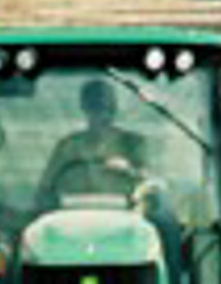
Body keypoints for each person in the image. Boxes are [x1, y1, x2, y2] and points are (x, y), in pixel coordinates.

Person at [34, 78, 148, 210]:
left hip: (123, 218)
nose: (103, 115)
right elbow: (44, 193)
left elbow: (149, 189)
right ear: (85, 108)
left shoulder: (132, 143)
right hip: (73, 219)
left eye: (108, 108)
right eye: (96, 108)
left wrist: (129, 170)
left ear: (115, 108)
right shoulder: (68, 147)